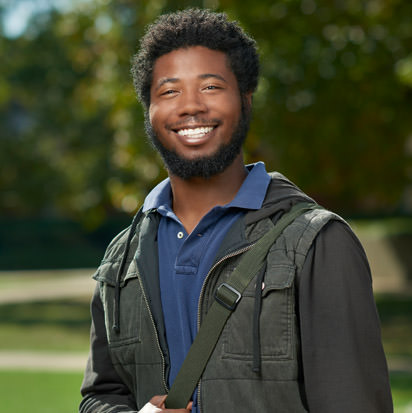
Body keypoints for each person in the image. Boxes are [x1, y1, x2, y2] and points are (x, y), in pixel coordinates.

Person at [79, 8, 393, 413]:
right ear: (149, 111)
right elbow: (99, 397)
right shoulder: (122, 259)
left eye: (211, 87)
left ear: (245, 99)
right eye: (169, 91)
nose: (190, 106)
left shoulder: (317, 243)